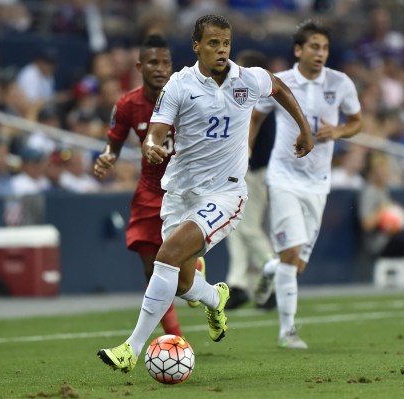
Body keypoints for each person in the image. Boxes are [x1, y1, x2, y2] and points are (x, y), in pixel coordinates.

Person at [97, 14, 313, 373]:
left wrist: (304, 130)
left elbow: (279, 88)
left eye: (225, 43)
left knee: (165, 257)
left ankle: (130, 349)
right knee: (181, 283)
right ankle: (215, 297)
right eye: (213, 43)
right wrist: (151, 145)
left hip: (225, 193)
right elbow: (157, 128)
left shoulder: (247, 79)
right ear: (196, 45)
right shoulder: (180, 85)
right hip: (180, 193)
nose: (221, 50)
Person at [252, 19, 363, 349]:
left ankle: (269, 270)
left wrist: (339, 131)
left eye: (325, 47)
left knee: (295, 264)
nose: (320, 53)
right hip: (283, 176)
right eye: (314, 46)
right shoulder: (280, 83)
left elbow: (357, 121)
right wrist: (245, 148)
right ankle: (287, 332)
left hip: (318, 182)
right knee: (291, 253)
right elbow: (256, 116)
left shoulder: (340, 83)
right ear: (298, 50)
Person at [93, 34, 202, 339]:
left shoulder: (189, 95)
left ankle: (194, 272)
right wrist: (106, 158)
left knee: (180, 279)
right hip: (149, 191)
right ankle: (175, 338)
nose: (160, 68)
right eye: (153, 62)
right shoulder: (128, 104)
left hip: (185, 190)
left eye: (165, 62)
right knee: (152, 269)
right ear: (139, 66)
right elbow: (112, 144)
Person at [224, 49, 276, 310]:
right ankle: (239, 285)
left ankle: (272, 275)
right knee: (234, 228)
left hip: (254, 170)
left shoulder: (256, 96)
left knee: (248, 228)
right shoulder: (255, 95)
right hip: (248, 169)